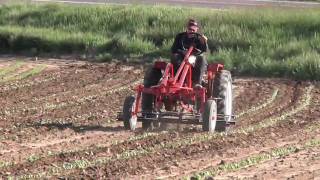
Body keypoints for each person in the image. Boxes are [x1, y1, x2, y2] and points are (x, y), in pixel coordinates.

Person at [171, 19, 208, 87]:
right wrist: (182, 52)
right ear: (187, 28)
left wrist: (204, 42)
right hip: (182, 58)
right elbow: (173, 49)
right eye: (190, 29)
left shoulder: (199, 38)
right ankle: (176, 79)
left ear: (196, 29)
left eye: (193, 30)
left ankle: (197, 83)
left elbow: (205, 50)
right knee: (175, 56)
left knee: (202, 58)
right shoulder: (180, 36)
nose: (191, 31)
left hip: (194, 58)